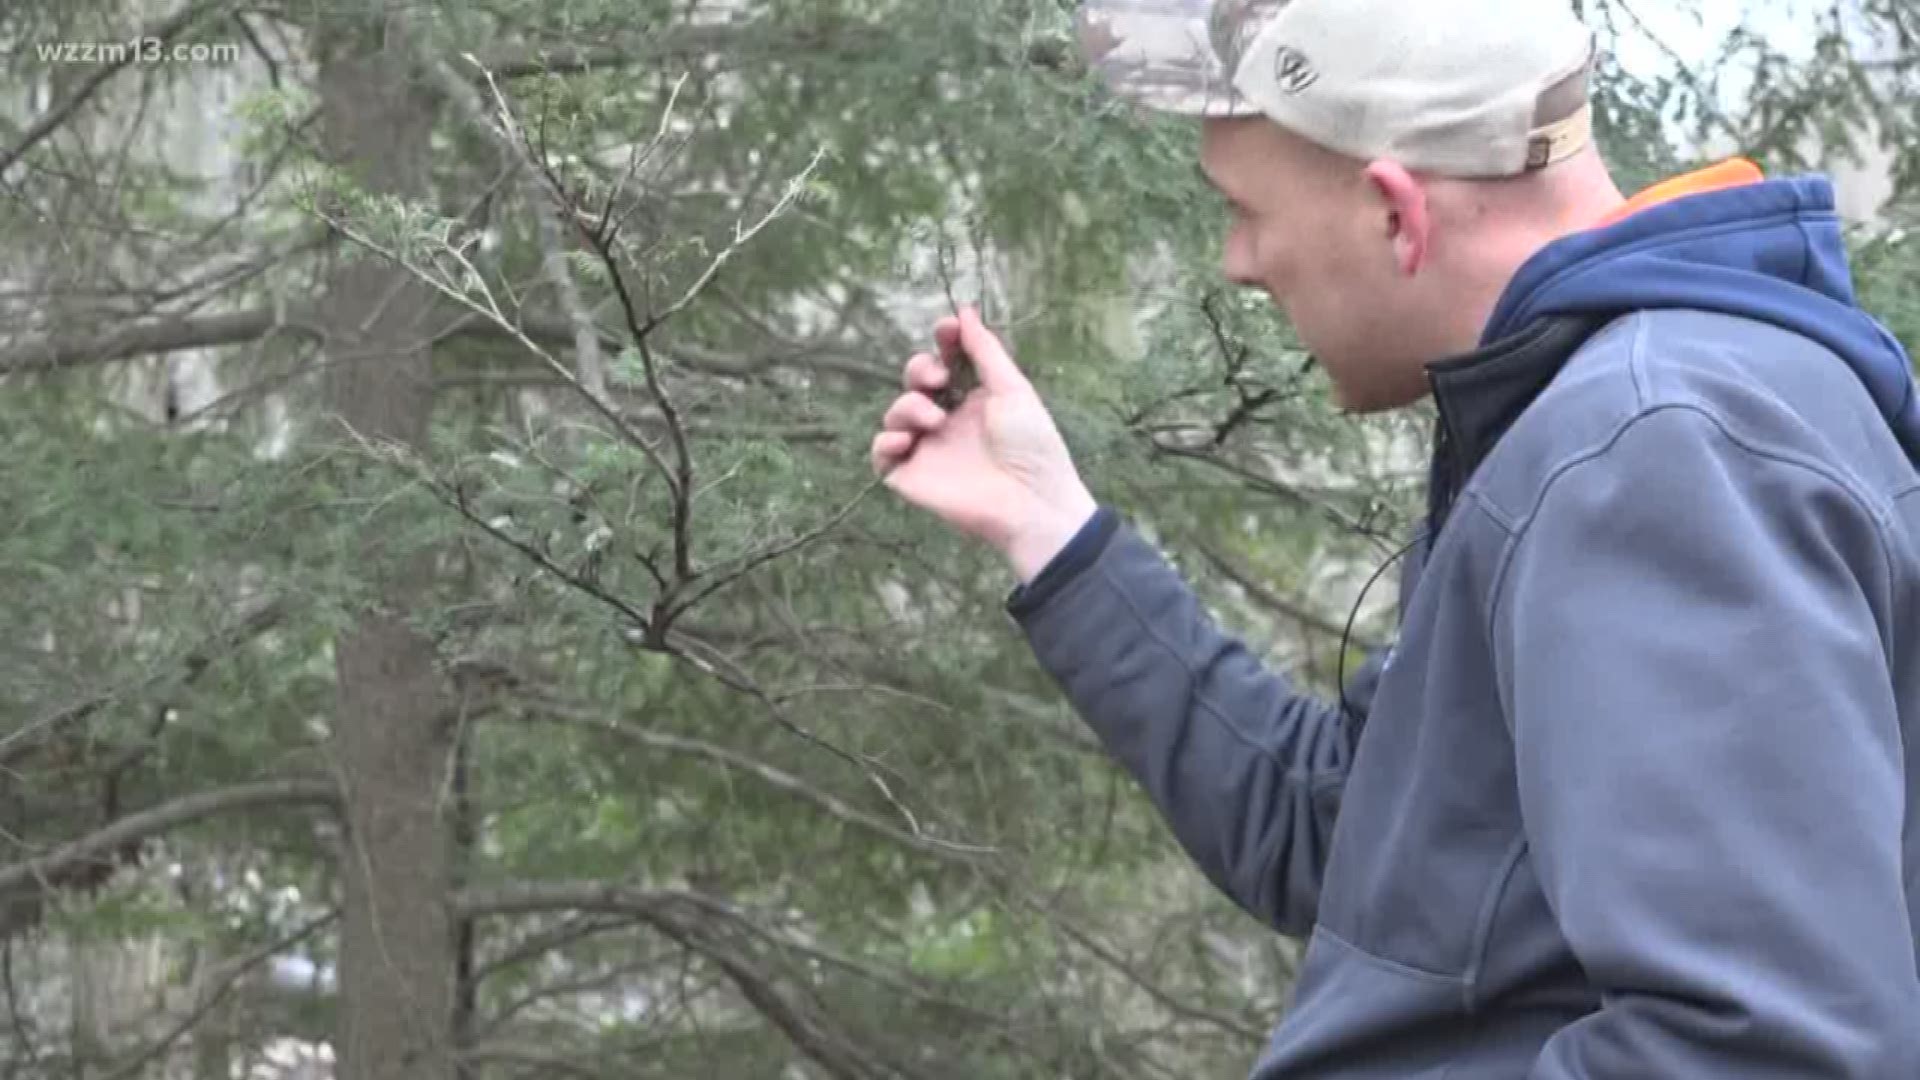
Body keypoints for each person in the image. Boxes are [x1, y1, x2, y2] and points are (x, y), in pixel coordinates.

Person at [871, 0, 1920, 1076]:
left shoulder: (1648, 450)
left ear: (1394, 214)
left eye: (1243, 210)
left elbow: (1763, 1048)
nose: (1238, 261)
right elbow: (1346, 833)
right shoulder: (1600, 414)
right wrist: (1047, 523)